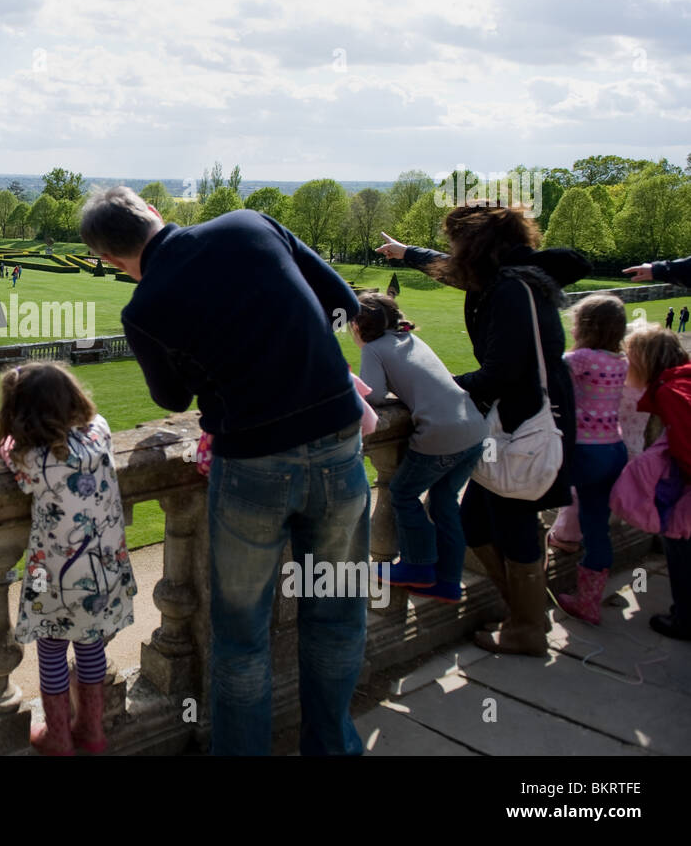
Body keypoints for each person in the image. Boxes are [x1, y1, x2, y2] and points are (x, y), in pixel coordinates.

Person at [81, 185, 369, 756]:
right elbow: (343, 305)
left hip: (252, 464)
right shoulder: (248, 224)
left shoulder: (144, 308)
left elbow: (172, 394)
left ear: (110, 259)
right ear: (154, 214)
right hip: (338, 444)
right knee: (337, 613)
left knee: (240, 638)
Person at [376, 200, 591, 657]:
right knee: (477, 519)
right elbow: (455, 272)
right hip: (517, 415)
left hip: (522, 417)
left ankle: (528, 628)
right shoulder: (510, 275)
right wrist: (407, 253)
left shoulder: (511, 289)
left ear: (476, 244)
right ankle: (525, 615)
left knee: (508, 518)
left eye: (457, 240)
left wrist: (434, 390)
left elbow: (501, 372)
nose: (452, 249)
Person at [0, 362, 137, 755]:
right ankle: (91, 730)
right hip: (104, 571)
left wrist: (7, 439)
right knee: (91, 647)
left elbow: (7, 451)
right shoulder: (100, 431)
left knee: (52, 651)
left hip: (56, 578)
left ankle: (58, 736)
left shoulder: (33, 459)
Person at [351, 293, 487, 603]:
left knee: (402, 493)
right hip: (474, 430)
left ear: (359, 325)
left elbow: (371, 395)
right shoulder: (411, 340)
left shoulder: (374, 349)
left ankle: (417, 566)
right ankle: (448, 582)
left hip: (440, 436)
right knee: (444, 502)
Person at [554, 295, 629, 625]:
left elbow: (549, 377)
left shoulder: (580, 358)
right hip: (614, 449)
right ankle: (589, 601)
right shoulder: (620, 360)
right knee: (597, 526)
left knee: (526, 496)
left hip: (584, 450)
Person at [623, 325, 691, 640]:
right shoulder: (684, 377)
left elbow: (686, 446)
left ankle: (684, 618)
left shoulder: (669, 391)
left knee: (679, 542)